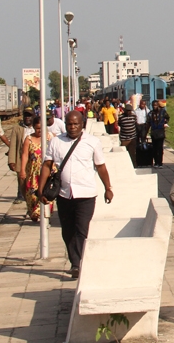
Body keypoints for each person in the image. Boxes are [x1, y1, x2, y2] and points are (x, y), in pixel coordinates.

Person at [38, 111, 113, 279]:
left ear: (82, 124)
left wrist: (108, 187)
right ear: (65, 124)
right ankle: (75, 260)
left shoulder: (92, 142)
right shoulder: (57, 142)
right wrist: (40, 189)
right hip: (64, 195)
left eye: (76, 124)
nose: (72, 127)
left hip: (86, 194)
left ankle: (78, 263)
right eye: (69, 124)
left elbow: (101, 166)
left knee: (81, 228)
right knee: (67, 230)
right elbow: (47, 165)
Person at [19, 119, 54, 222]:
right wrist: (22, 170)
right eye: (38, 128)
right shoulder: (28, 139)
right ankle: (34, 213)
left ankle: (45, 215)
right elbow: (25, 155)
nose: (40, 131)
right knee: (33, 195)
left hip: (47, 172)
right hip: (33, 172)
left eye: (42, 128)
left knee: (47, 194)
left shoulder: (50, 138)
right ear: (34, 128)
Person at [6, 111, 35, 204]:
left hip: (34, 161)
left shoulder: (38, 127)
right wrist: (11, 160)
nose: (27, 118)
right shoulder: (17, 128)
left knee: (33, 182)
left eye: (30, 116)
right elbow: (13, 144)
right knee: (22, 181)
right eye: (26, 116)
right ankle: (23, 196)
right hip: (21, 159)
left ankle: (33, 201)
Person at [147, 100, 170, 168]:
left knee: (160, 148)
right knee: (154, 148)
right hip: (154, 132)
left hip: (160, 131)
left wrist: (165, 123)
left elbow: (167, 117)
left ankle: (160, 163)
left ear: (158, 105)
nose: (155, 107)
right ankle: (156, 162)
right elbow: (148, 123)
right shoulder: (150, 113)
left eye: (156, 105)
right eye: (153, 105)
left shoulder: (163, 112)